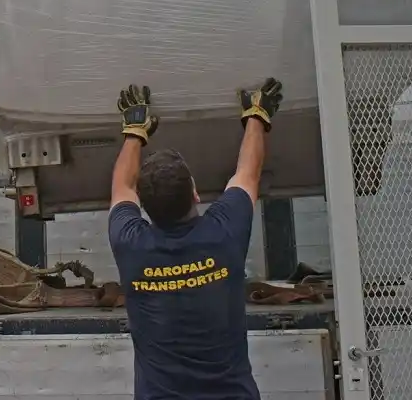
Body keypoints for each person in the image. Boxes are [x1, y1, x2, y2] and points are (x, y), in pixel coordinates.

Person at [107, 77, 282, 400]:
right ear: (196, 194)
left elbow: (121, 187)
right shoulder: (223, 233)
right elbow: (248, 172)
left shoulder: (131, 244)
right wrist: (257, 116)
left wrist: (134, 131)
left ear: (143, 207)